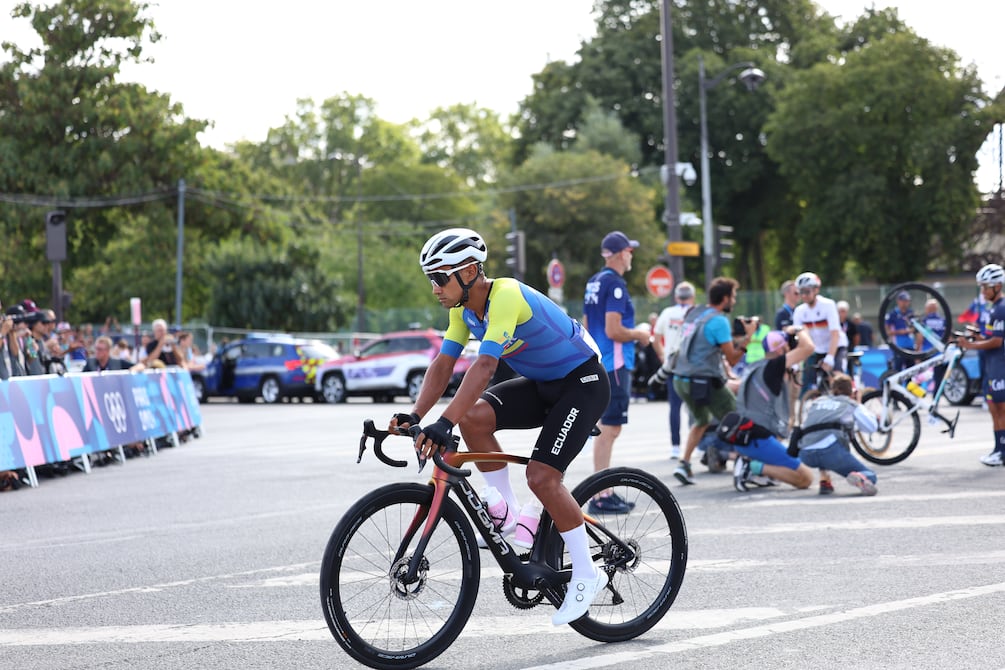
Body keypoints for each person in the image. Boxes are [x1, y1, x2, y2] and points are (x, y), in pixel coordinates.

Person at [390, 228, 611, 626]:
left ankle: (586, 573)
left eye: (440, 278)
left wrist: (444, 421)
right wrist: (416, 415)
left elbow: (486, 366)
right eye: (431, 280)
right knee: (475, 418)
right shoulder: (462, 310)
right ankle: (508, 514)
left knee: (543, 477)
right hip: (545, 385)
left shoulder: (505, 294)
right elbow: (443, 364)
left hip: (583, 382)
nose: (436, 289)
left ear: (470, 271)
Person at [582, 231, 651, 512]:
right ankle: (601, 495)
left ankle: (602, 491)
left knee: (605, 428)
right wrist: (641, 334)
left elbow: (587, 323)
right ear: (621, 253)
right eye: (629, 251)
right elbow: (614, 330)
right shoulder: (616, 285)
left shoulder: (594, 282)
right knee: (610, 429)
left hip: (600, 360)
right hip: (616, 364)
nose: (631, 255)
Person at [671, 277, 756, 485]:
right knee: (736, 418)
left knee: (702, 420)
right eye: (733, 297)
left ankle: (683, 463)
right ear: (725, 298)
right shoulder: (719, 321)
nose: (734, 301)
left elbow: (705, 345)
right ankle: (749, 466)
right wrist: (748, 337)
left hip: (680, 379)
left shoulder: (696, 313)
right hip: (703, 381)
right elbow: (733, 359)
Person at [731, 327, 816, 491]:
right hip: (757, 439)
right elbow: (808, 348)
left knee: (786, 446)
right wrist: (799, 330)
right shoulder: (774, 366)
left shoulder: (755, 367)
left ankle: (758, 470)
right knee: (805, 478)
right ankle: (751, 468)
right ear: (781, 349)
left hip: (744, 437)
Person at [794, 372, 879, 495]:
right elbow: (872, 427)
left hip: (806, 453)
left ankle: (825, 481)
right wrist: (859, 403)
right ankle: (861, 477)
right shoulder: (850, 404)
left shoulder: (818, 402)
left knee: (821, 436)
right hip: (830, 452)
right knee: (871, 475)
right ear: (852, 391)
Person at [957, 264, 1005, 466]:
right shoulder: (992, 308)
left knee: (1001, 410)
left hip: (1000, 365)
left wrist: (971, 344)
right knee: (994, 409)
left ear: (997, 286)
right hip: (992, 365)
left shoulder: (1001, 309)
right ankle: (998, 449)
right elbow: (990, 336)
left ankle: (1002, 452)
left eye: (986, 287)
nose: (983, 291)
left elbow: (997, 341)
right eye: (981, 287)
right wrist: (977, 335)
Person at [652, 281, 696, 459]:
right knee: (695, 406)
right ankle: (697, 444)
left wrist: (664, 357)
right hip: (692, 364)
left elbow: (656, 339)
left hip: (672, 365)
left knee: (675, 407)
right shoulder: (696, 313)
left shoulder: (667, 313)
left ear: (677, 296)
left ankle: (675, 447)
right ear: (692, 297)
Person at [792, 272, 845, 395]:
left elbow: (835, 334)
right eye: (801, 292)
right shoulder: (799, 311)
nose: (804, 295)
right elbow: (798, 340)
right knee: (807, 380)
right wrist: (795, 362)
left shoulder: (828, 305)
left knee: (837, 378)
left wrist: (831, 357)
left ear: (816, 290)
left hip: (836, 346)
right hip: (817, 349)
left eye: (807, 291)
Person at [885, 290, 915, 372]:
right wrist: (900, 332)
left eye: (907, 301)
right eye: (904, 301)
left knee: (911, 371)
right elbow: (887, 331)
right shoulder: (893, 314)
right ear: (898, 301)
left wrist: (908, 331)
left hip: (910, 346)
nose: (905, 303)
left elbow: (915, 328)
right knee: (897, 370)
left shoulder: (910, 312)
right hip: (899, 346)